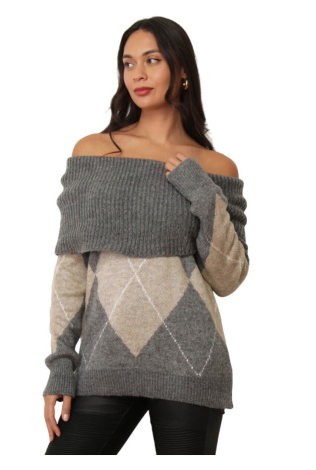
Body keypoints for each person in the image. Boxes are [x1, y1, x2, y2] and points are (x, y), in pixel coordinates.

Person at [42, 16, 250, 455]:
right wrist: (61, 364)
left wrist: (202, 192)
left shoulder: (216, 168)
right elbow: (71, 266)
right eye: (128, 63)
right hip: (103, 362)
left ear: (182, 70)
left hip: (192, 363)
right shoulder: (93, 152)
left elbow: (228, 277)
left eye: (152, 60)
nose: (137, 73)